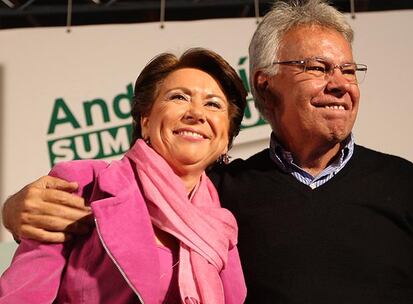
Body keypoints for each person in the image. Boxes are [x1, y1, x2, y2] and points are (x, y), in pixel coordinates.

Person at [3, 0, 413, 302]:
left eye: (347, 70)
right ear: (266, 87)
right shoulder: (223, 189)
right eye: (318, 68)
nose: (340, 83)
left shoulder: (405, 182)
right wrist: (14, 209)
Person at [0, 48, 247, 304]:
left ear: (226, 138)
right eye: (179, 97)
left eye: (213, 104)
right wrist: (10, 209)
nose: (196, 114)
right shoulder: (82, 185)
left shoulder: (223, 228)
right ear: (145, 120)